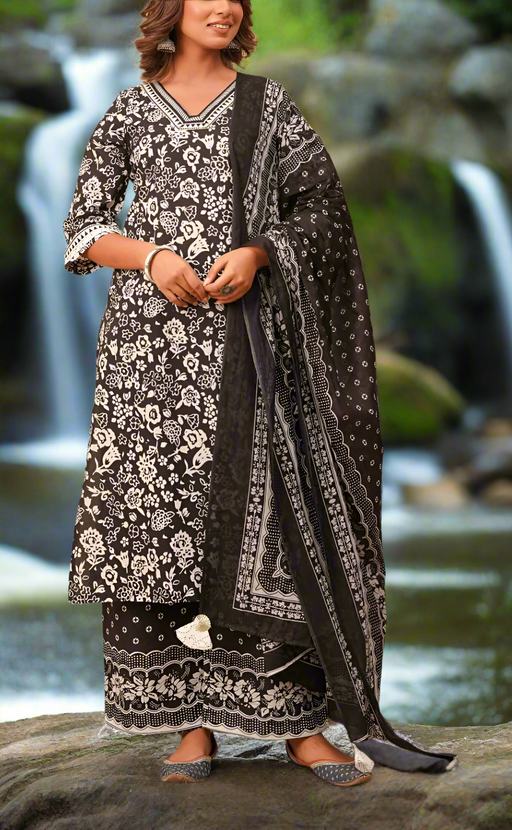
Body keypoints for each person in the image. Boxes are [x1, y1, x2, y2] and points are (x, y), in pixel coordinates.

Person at [62, 0, 457, 787]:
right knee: (163, 527)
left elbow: (322, 209)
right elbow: (83, 225)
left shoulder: (267, 105)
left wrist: (260, 253)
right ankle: (191, 727)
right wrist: (150, 258)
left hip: (253, 348)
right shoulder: (129, 110)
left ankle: (299, 729)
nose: (226, 6)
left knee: (272, 522)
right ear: (170, 9)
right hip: (148, 362)